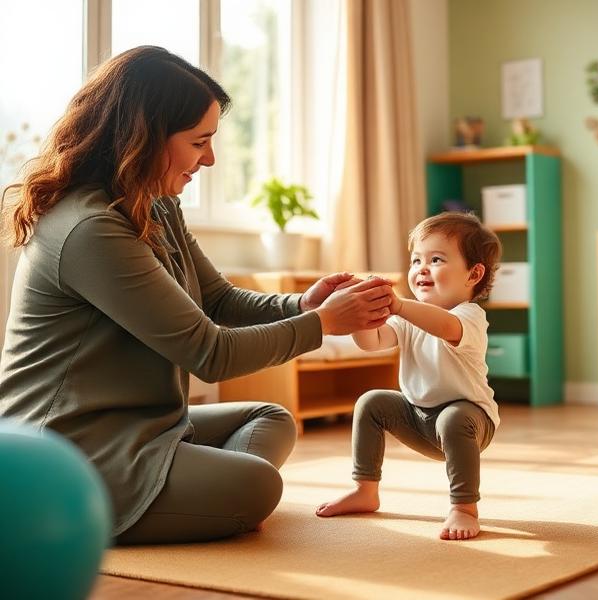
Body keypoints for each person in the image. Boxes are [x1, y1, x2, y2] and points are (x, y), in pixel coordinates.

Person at [0, 46, 394, 545]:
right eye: (198, 142)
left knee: (267, 416)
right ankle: (103, 506)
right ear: (142, 138)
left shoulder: (155, 204)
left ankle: (187, 490)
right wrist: (323, 325)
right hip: (67, 449)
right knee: (255, 485)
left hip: (140, 428)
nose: (209, 158)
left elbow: (219, 300)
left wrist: (304, 305)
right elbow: (209, 353)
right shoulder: (90, 229)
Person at [316, 212, 501, 541]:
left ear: (473, 274)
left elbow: (445, 328)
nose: (422, 269)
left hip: (470, 421)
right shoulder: (406, 318)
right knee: (372, 402)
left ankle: (464, 507)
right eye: (416, 260)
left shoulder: (470, 316)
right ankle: (365, 489)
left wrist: (398, 305)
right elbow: (372, 342)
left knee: (453, 418)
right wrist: (364, 314)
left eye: (436, 259)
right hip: (418, 417)